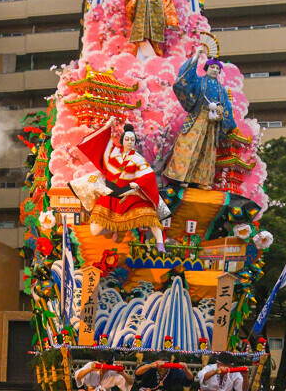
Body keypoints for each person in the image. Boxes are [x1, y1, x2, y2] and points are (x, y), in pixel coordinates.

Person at [70, 121, 169, 251]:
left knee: (150, 216)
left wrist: (137, 184)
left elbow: (148, 176)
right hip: (110, 193)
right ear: (122, 140)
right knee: (94, 230)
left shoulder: (138, 159)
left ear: (135, 142)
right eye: (127, 139)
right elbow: (98, 142)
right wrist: (107, 126)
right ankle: (115, 228)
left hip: (128, 194)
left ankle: (160, 243)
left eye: (132, 139)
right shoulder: (112, 151)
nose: (129, 142)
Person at [164, 49, 238, 190]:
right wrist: (195, 57)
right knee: (189, 147)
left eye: (217, 68)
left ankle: (202, 181)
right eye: (212, 67)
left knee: (207, 153)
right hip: (197, 119)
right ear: (206, 68)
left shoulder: (221, 89)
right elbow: (184, 82)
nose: (215, 70)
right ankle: (182, 178)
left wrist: (222, 113)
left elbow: (227, 107)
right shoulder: (198, 81)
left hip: (213, 124)